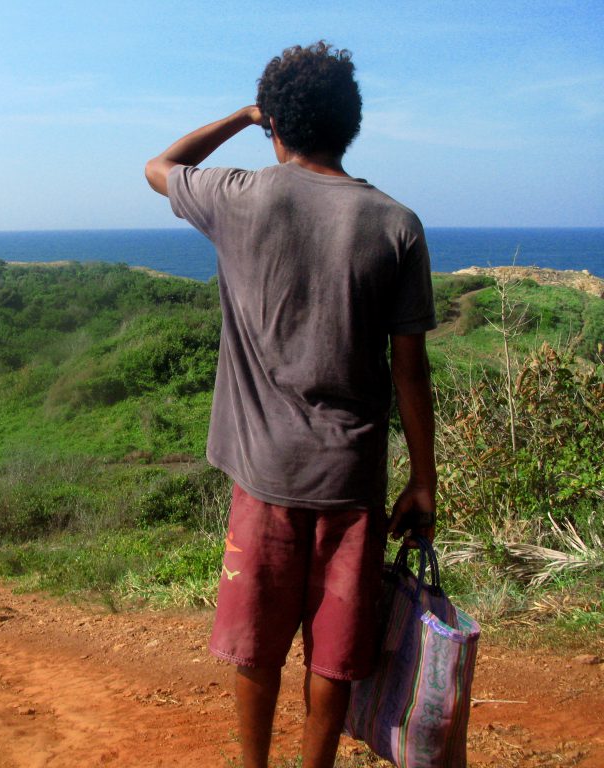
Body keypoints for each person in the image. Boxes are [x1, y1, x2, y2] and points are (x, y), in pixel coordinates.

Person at [144, 41, 437, 768]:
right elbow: (411, 371)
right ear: (353, 123)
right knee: (335, 654)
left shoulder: (242, 195)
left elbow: (160, 166)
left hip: (264, 474)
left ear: (277, 125)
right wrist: (425, 480)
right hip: (352, 480)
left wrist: (245, 118)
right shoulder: (396, 224)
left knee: (256, 645)